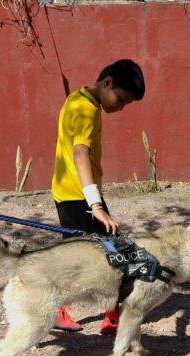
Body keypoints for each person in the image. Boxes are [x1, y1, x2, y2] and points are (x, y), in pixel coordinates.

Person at [50, 59, 145, 335]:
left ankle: (112, 313)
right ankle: (57, 309)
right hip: (78, 197)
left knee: (110, 248)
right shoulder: (85, 110)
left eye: (126, 104)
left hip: (77, 192)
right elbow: (80, 153)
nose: (120, 107)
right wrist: (96, 205)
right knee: (86, 256)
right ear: (107, 83)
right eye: (121, 98)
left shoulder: (79, 99)